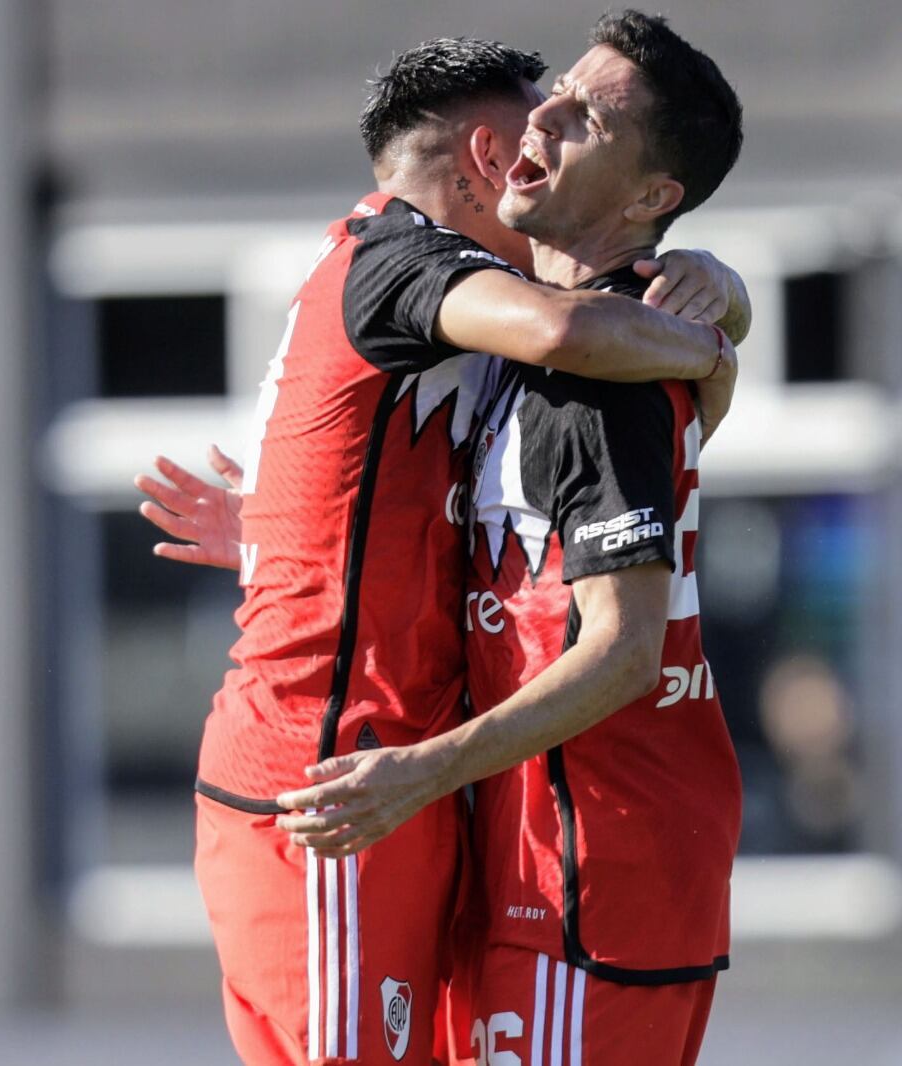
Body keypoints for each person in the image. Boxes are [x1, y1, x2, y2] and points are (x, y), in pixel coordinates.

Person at [138, 32, 749, 1066]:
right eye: (543, 106)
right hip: (350, 784)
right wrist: (718, 324)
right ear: (478, 157)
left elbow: (622, 591)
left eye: (580, 117)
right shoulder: (448, 285)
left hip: (543, 847)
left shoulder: (563, 351)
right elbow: (573, 343)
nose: (544, 128)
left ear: (648, 189)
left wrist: (714, 298)